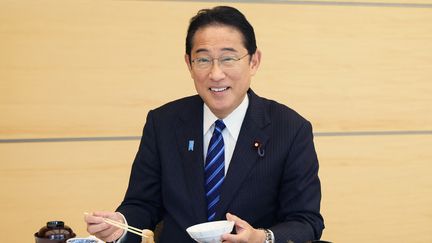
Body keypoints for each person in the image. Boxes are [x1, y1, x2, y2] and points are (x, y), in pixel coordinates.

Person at [85, 6, 324, 243]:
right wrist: (121, 225)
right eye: (203, 59)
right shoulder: (163, 123)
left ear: (254, 61)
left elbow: (306, 221)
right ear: (189, 64)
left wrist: (262, 238)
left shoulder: (290, 129)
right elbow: (142, 204)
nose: (216, 73)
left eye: (228, 58)